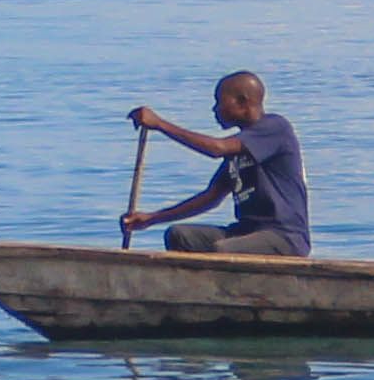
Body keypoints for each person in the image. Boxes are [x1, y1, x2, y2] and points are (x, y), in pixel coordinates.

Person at [127, 71, 311, 257]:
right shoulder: (238, 150)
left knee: (222, 250)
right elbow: (210, 197)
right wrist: (152, 219)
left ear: (242, 101)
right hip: (246, 231)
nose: (215, 109)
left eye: (219, 101)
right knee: (179, 236)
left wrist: (160, 124)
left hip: (283, 237)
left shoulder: (276, 127)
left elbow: (217, 148)